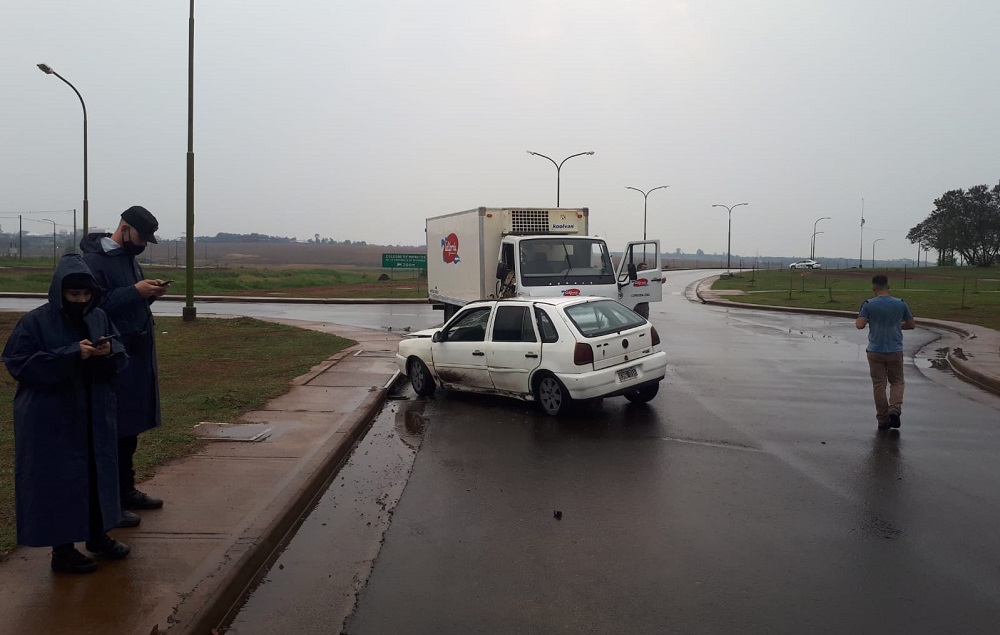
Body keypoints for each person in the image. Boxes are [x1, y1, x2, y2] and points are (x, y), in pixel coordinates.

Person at [2, 255, 131, 573]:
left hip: (94, 413)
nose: (81, 300)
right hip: (52, 417)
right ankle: (62, 551)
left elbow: (120, 354)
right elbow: (19, 362)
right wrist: (71, 354)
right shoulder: (36, 321)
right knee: (59, 481)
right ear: (59, 292)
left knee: (96, 475)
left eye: (86, 294)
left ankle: (98, 537)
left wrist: (108, 352)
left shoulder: (99, 316)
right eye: (74, 294)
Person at [80, 205, 169, 528]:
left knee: (129, 429)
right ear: (125, 228)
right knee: (112, 431)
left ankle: (126, 490)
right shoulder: (93, 262)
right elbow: (92, 305)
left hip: (136, 355)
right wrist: (134, 292)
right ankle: (111, 499)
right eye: (141, 237)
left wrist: (149, 293)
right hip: (114, 356)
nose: (143, 244)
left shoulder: (129, 260)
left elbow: (130, 301)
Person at [855, 274, 916, 430]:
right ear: (888, 286)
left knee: (879, 385)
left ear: (873, 287)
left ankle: (882, 419)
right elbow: (911, 324)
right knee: (897, 381)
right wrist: (897, 325)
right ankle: (894, 409)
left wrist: (865, 317)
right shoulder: (901, 304)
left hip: (875, 351)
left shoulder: (868, 304)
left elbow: (860, 325)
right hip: (895, 350)